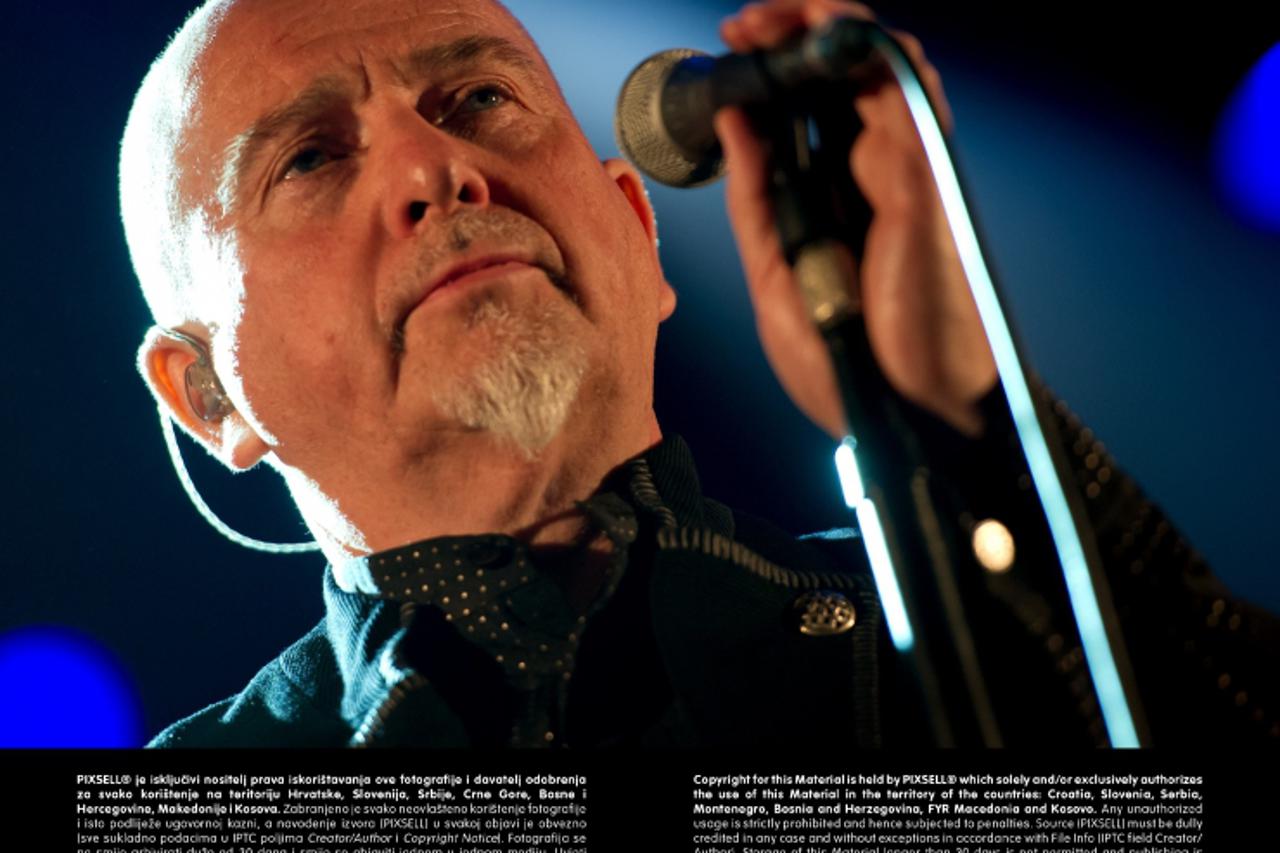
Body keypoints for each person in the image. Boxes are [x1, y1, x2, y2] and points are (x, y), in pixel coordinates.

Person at [120, 0, 1277, 747]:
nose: (436, 164)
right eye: (312, 156)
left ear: (638, 226)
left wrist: (960, 423)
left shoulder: (948, 619)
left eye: (478, 99)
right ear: (207, 393)